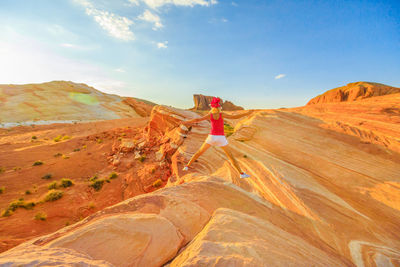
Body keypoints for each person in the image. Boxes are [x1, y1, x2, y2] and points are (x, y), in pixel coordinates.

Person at [181, 97, 254, 179]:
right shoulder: (222, 114)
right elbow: (235, 117)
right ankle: (241, 174)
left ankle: (187, 166)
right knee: (231, 157)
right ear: (219, 107)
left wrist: (186, 122)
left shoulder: (210, 115)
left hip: (212, 137)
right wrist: (247, 113)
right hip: (221, 139)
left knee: (199, 152)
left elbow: (198, 119)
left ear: (212, 107)